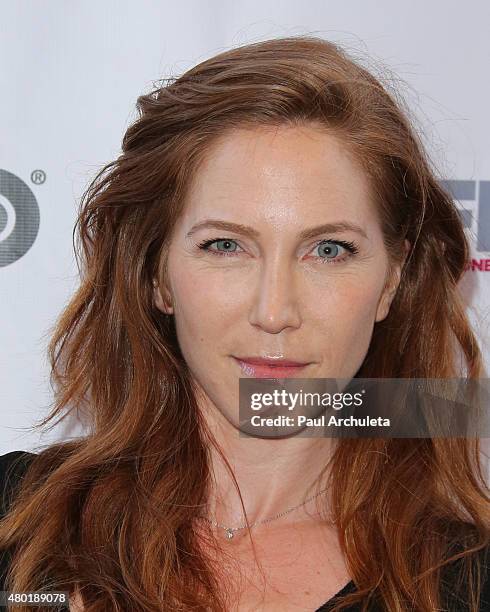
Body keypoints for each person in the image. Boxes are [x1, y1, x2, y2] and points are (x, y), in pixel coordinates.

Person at [0, 35, 489, 612]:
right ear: (156, 273)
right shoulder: (18, 520)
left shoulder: (467, 583)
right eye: (226, 245)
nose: (274, 312)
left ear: (391, 281)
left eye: (329, 250)